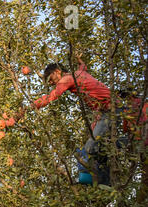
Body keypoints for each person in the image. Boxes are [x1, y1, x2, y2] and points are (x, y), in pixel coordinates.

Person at [16, 53, 122, 185]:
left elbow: (51, 97)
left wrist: (27, 109)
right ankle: (106, 178)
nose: (50, 83)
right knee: (99, 146)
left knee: (89, 148)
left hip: (110, 110)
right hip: (108, 109)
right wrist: (79, 59)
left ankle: (122, 148)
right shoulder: (78, 73)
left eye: (50, 78)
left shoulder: (66, 80)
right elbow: (84, 67)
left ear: (57, 72)